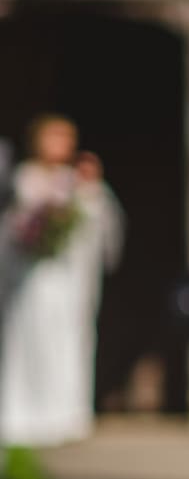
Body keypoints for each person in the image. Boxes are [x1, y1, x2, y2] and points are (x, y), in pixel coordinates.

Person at [0, 114, 123, 449]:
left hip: (68, 280)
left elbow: (103, 230)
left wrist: (90, 192)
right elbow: (14, 227)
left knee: (70, 341)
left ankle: (66, 412)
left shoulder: (79, 180)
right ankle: (26, 414)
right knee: (29, 339)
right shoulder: (22, 177)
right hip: (31, 278)